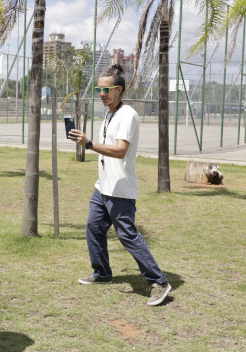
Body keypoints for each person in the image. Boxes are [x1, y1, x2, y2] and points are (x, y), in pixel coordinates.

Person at [68, 65, 172, 306]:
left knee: (127, 235)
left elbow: (121, 151)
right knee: (93, 228)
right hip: (102, 186)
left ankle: (160, 282)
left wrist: (89, 144)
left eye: (106, 89)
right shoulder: (110, 113)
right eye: (99, 89)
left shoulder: (128, 115)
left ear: (120, 90)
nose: (102, 93)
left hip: (121, 188)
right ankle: (102, 273)